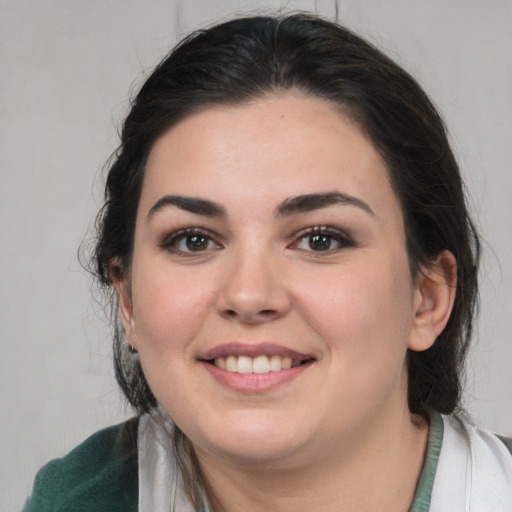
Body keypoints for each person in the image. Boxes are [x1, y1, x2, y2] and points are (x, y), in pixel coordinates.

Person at [22, 13, 512, 512]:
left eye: (320, 240)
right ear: (127, 300)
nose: (249, 295)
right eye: (193, 240)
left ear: (426, 299)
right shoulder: (77, 498)